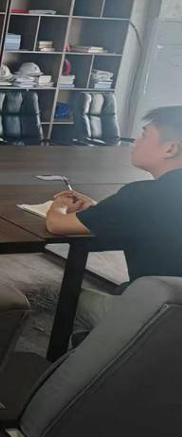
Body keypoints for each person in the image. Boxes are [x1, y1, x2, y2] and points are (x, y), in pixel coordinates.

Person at [46, 106, 182, 335]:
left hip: (159, 314)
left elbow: (56, 225)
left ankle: (95, 349)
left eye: (145, 135)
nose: (136, 141)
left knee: (48, 293)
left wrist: (59, 204)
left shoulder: (142, 195)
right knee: (124, 289)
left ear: (170, 149)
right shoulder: (145, 199)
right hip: (171, 298)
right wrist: (100, 210)